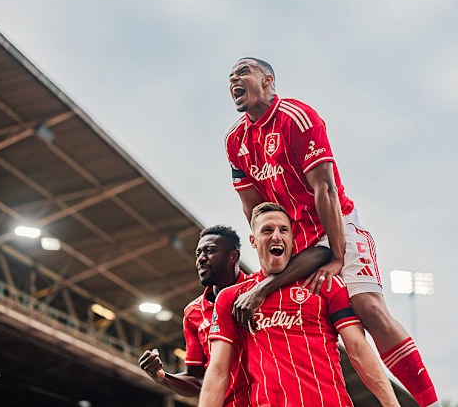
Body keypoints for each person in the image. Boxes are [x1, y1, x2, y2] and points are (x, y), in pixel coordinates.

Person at [225, 57, 440, 406]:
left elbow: (324, 189)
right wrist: (271, 251)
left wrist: (338, 255)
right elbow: (253, 208)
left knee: (368, 308)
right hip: (297, 241)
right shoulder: (236, 140)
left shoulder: (297, 117)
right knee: (332, 330)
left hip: (337, 227)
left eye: (243, 71)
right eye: (230, 76)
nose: (234, 78)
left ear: (268, 81)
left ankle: (430, 403)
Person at [199, 202, 400, 407]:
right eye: (267, 230)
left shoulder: (325, 284)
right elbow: (217, 372)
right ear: (253, 240)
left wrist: (392, 405)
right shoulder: (232, 297)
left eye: (283, 230)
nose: (276, 236)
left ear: (292, 239)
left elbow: (358, 348)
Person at [138, 225, 330, 405]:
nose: (201, 259)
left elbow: (321, 252)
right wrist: (164, 377)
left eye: (210, 251)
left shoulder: (263, 290)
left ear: (233, 256)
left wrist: (262, 290)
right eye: (198, 253)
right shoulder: (192, 313)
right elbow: (197, 379)